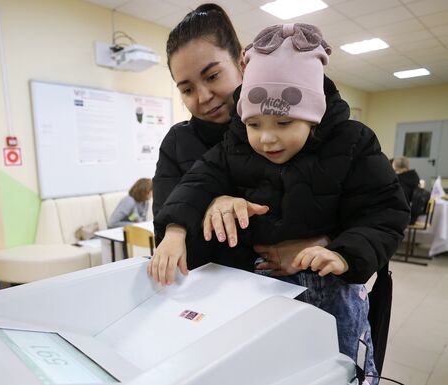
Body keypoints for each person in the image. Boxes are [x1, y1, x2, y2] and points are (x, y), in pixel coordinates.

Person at [150, 23, 409, 383]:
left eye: (284, 122)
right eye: (254, 124)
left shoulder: (351, 143)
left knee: (336, 368)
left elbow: (385, 211)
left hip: (330, 289)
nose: (267, 138)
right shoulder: (233, 143)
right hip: (255, 291)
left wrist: (340, 250)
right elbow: (196, 182)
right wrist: (177, 228)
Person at [152, 3, 265, 272]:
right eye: (188, 89)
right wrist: (211, 205)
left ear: (241, 62)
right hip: (211, 297)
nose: (203, 97)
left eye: (212, 76)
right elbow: (168, 240)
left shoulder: (280, 129)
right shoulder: (177, 144)